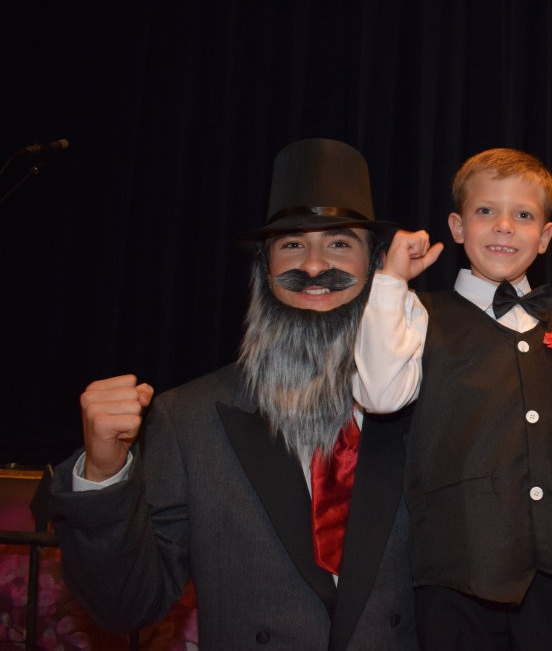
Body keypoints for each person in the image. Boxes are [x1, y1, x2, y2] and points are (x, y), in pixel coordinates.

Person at [48, 138, 417, 649]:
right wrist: (104, 473)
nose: (312, 266)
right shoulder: (189, 418)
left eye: (337, 243)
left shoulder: (427, 405)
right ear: (264, 270)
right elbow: (126, 605)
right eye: (291, 244)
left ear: (375, 265)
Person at [354, 147, 552, 650]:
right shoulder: (416, 311)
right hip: (456, 570)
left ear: (546, 235)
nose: (504, 227)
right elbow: (379, 395)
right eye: (486, 211)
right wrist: (390, 281)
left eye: (524, 215)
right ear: (457, 225)